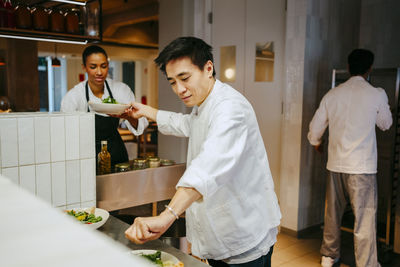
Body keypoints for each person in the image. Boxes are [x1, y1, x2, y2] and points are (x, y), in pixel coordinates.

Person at [123, 36, 281, 267]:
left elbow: (208, 164)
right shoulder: (205, 104)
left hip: (243, 234)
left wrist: (167, 216)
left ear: (208, 68)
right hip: (223, 231)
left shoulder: (230, 108)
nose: (180, 89)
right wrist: (146, 111)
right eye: (173, 82)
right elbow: (187, 124)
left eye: (185, 78)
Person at [308, 49, 392, 267]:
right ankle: (366, 263)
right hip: (362, 167)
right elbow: (386, 124)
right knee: (364, 219)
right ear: (369, 68)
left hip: (335, 164)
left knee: (333, 214)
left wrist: (317, 143)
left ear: (348, 67)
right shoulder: (377, 93)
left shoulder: (333, 94)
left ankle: (328, 256)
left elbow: (315, 128)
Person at [61, 45, 148, 166]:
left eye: (103, 66)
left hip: (116, 153)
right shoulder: (74, 96)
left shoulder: (120, 90)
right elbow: (66, 133)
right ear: (84, 68)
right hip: (87, 157)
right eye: (93, 67)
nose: (99, 72)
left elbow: (141, 125)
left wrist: (128, 116)